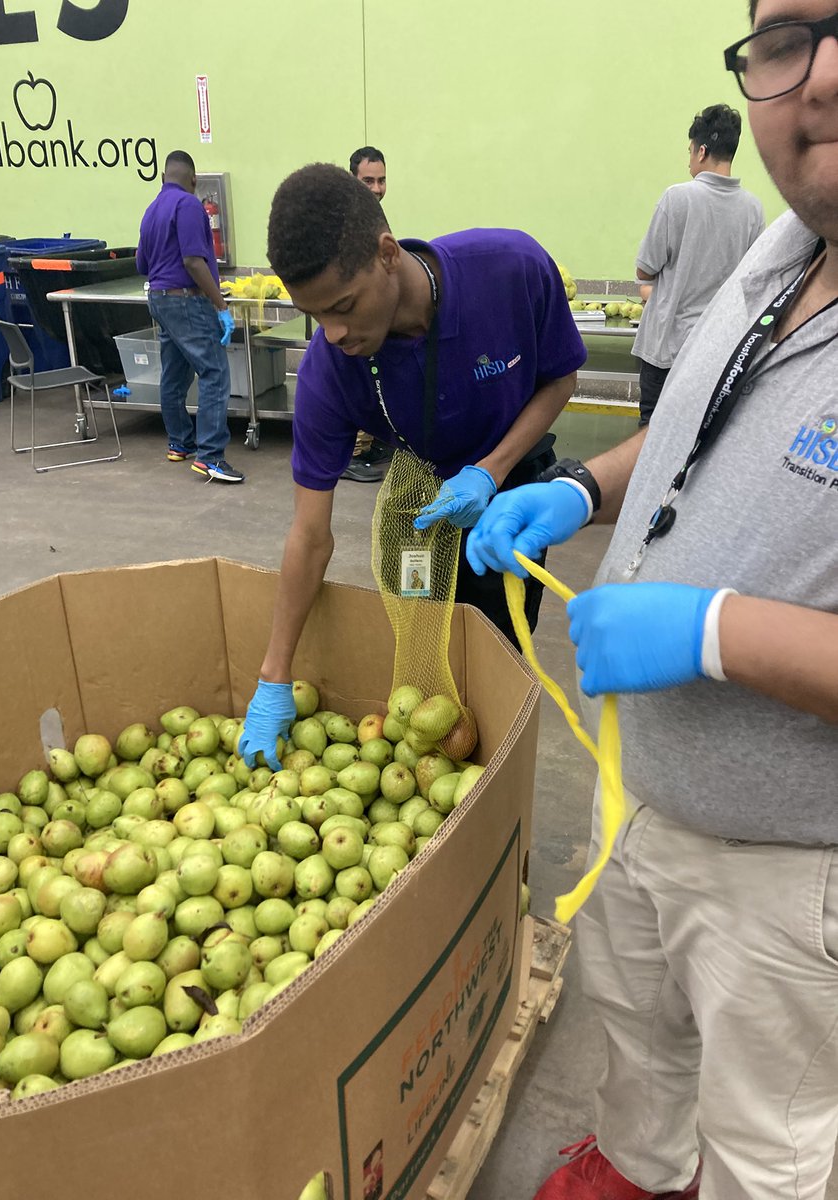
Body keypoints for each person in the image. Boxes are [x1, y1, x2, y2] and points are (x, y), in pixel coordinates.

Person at [466, 2, 838, 1195]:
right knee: (639, 1037)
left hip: (786, 861)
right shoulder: (779, 255)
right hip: (644, 793)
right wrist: (580, 490)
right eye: (787, 38)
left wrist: (713, 630)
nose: (822, 76)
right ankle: (637, 1167)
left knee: (769, 1137)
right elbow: (692, 439)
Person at [238, 162, 586, 769]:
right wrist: (274, 675)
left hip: (511, 496)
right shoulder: (329, 371)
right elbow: (310, 536)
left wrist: (491, 470)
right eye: (315, 316)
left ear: (387, 253)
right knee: (426, 666)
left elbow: (560, 379)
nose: (334, 333)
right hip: (422, 505)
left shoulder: (510, 270)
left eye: (344, 306)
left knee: (496, 659)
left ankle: (494, 788)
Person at [632, 104, 765, 426]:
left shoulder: (677, 198)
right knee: (700, 433)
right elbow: (752, 281)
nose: (689, 160)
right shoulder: (753, 209)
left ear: (701, 151)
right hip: (717, 351)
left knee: (652, 433)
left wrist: (659, 288)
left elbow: (645, 270)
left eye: (690, 152)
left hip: (667, 348)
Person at [136, 150, 244, 483]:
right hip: (185, 300)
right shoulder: (189, 206)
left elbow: (142, 264)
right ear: (194, 180)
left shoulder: (152, 209)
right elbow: (193, 261)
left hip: (159, 299)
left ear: (163, 177)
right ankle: (210, 456)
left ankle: (179, 442)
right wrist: (221, 305)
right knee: (214, 372)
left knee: (174, 373)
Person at [345, 145, 391, 482]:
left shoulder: (372, 214)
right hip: (354, 317)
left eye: (381, 180)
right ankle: (348, 455)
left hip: (373, 315)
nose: (376, 188)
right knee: (356, 386)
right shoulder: (347, 217)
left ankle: (366, 446)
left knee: (374, 382)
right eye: (368, 181)